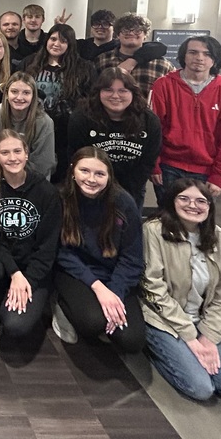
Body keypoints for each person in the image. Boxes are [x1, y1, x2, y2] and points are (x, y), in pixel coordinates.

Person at [140, 179, 221, 403]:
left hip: (202, 320)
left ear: (210, 207)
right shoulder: (153, 231)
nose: (193, 205)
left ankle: (191, 352)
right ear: (172, 202)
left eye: (201, 201)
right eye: (184, 199)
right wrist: (190, 337)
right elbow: (152, 287)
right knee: (201, 389)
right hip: (164, 319)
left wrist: (209, 337)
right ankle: (155, 348)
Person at [0, 131, 60, 355]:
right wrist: (14, 273)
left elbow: (48, 248)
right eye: (5, 152)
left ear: (27, 154)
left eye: (17, 151)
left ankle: (52, 305)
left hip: (33, 270)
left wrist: (27, 278)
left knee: (15, 327)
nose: (12, 158)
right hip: (3, 263)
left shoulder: (46, 192)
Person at [51, 146, 145, 353]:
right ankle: (60, 304)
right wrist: (98, 288)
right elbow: (61, 252)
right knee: (92, 323)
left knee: (132, 340)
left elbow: (132, 258)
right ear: (73, 171)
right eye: (84, 171)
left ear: (109, 177)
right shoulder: (60, 198)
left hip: (113, 274)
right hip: (74, 271)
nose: (91, 179)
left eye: (99, 174)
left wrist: (115, 293)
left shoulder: (124, 203)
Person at [148, 36, 221, 201]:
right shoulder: (163, 85)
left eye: (207, 54)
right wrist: (153, 165)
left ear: (215, 60)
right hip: (168, 167)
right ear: (183, 56)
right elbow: (151, 129)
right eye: (193, 52)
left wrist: (220, 176)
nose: (199, 58)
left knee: (198, 220)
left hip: (207, 171)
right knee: (168, 217)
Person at [67, 68, 162, 211]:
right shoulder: (81, 118)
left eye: (123, 91)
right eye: (108, 90)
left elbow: (148, 161)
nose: (115, 96)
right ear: (98, 92)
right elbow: (75, 155)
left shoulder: (150, 121)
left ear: (133, 93)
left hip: (132, 187)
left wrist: (123, 193)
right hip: (90, 186)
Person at [25, 23, 95, 183]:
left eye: (63, 41)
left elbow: (91, 101)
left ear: (70, 44)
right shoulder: (30, 64)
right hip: (35, 131)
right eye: (53, 39)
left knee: (64, 183)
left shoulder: (84, 68)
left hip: (68, 135)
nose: (56, 44)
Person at [0, 72, 56, 179]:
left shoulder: (44, 122)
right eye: (14, 92)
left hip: (36, 178)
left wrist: (18, 178)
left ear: (33, 96)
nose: (20, 97)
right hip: (3, 174)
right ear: (6, 94)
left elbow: (44, 163)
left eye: (26, 93)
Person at [94, 13, 172, 98]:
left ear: (145, 35)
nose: (131, 33)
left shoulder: (162, 65)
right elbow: (95, 91)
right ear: (118, 35)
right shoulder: (102, 60)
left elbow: (171, 95)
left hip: (147, 111)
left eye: (137, 30)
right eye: (125, 30)